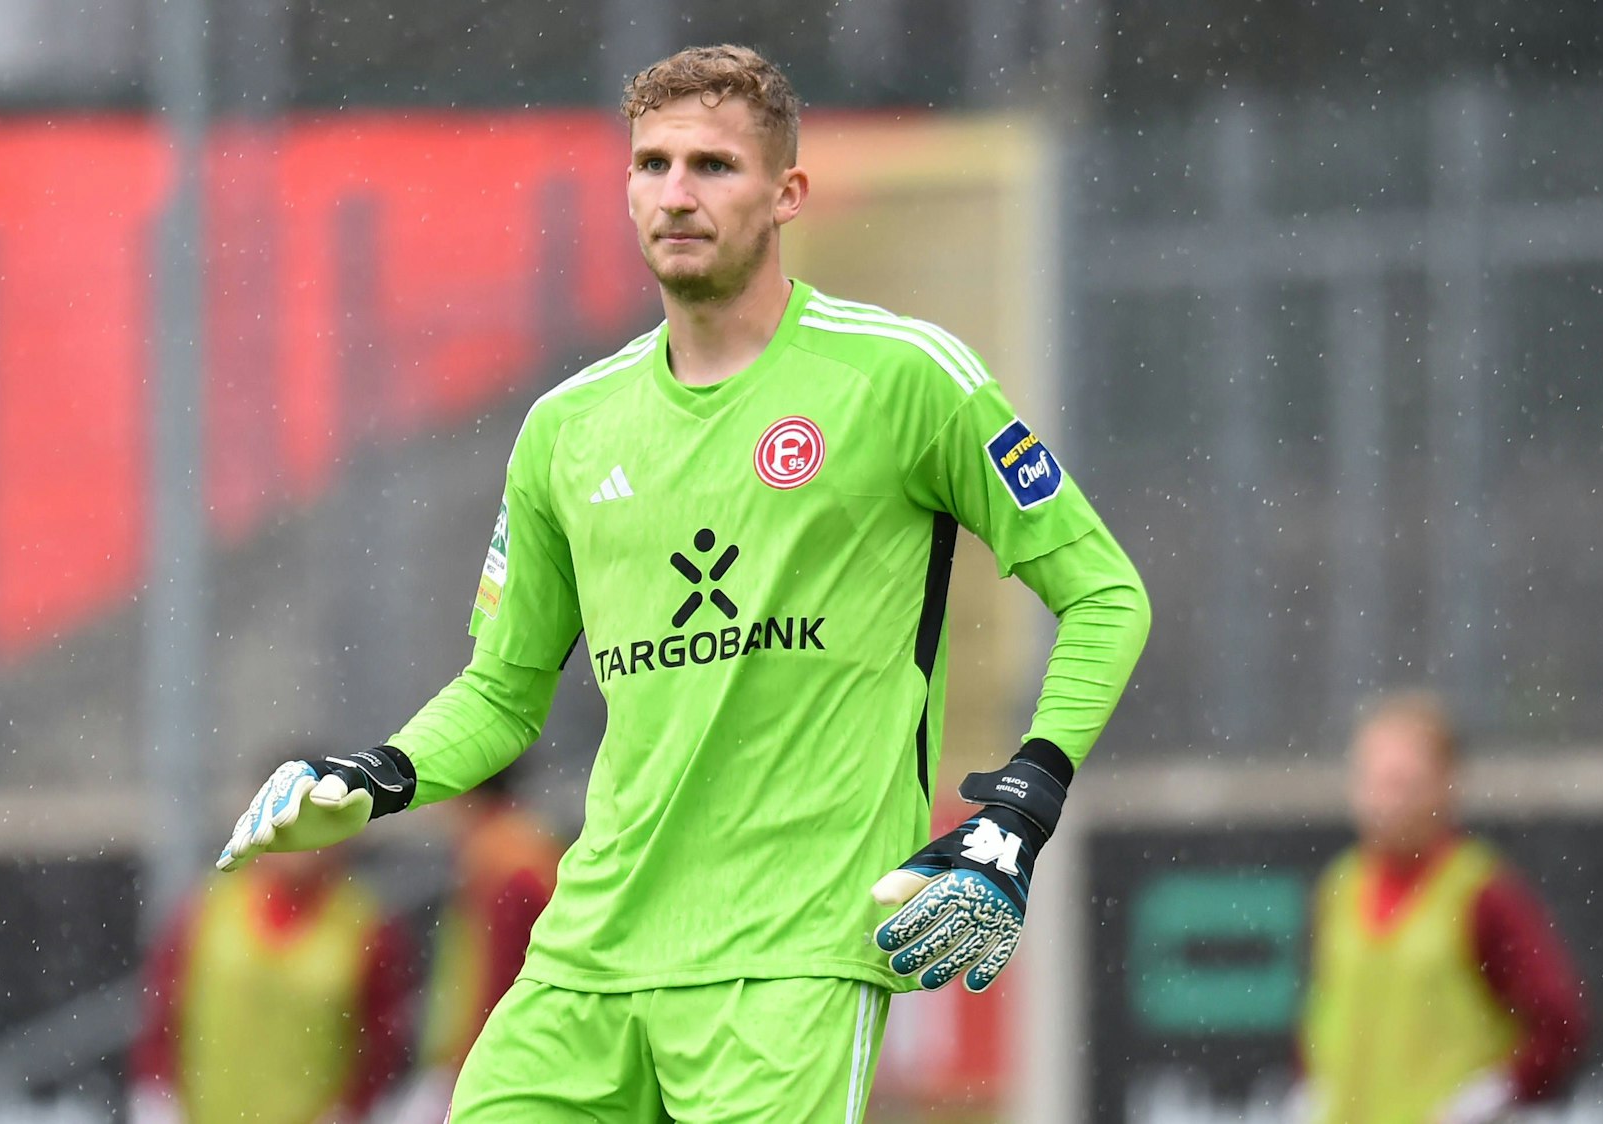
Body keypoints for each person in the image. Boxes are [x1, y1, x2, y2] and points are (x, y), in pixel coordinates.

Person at [216, 44, 1150, 1122]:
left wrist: (1018, 812)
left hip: (794, 959)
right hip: (588, 958)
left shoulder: (903, 377)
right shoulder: (564, 429)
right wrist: (376, 777)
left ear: (786, 193)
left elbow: (1104, 593)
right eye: (651, 164)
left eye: (712, 165)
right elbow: (502, 690)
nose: (675, 193)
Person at [1296, 692, 1589, 1124]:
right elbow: (1325, 1020)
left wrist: (1487, 1098)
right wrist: (1311, 1090)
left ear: (1445, 784)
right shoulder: (1339, 887)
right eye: (1374, 781)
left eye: (1404, 783)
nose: (1387, 800)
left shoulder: (1483, 893)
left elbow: (1559, 1023)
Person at [131, 842, 415, 1124]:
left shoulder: (366, 926)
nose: (304, 841)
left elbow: (381, 1047)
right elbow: (161, 1017)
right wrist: (157, 1100)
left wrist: (349, 1111)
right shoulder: (207, 907)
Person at [394, 771, 563, 1123]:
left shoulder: (503, 861)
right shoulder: (519, 845)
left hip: (500, 1056)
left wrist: (473, 1058)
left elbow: (502, 975)